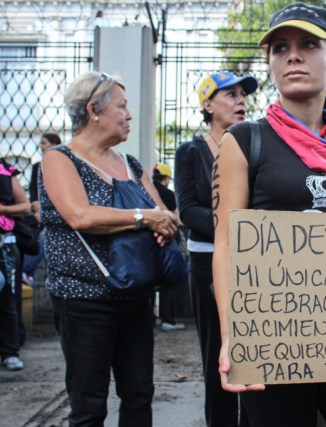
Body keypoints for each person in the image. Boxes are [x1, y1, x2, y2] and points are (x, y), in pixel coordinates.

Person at [211, 3, 326, 426]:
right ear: (271, 64)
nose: (292, 55)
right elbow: (226, 245)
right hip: (272, 338)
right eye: (280, 48)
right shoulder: (244, 141)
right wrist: (232, 335)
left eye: (308, 45)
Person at [40, 70, 178, 426]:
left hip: (134, 295)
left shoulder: (129, 164)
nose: (129, 115)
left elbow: (160, 212)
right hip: (84, 300)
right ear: (94, 110)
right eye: (122, 106)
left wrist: (161, 224)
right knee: (89, 404)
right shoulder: (59, 159)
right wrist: (145, 218)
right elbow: (79, 215)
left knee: (138, 394)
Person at [174, 70, 258, 426]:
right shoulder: (190, 152)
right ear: (207, 105)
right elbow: (188, 209)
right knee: (217, 357)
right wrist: (235, 229)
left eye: (242, 94)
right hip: (208, 260)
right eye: (230, 95)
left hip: (254, 262)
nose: (240, 100)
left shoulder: (254, 143)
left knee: (255, 354)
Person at [0, 157, 30, 371]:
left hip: (4, 245)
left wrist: (3, 210)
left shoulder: (4, 169)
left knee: (6, 299)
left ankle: (10, 351)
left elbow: (24, 206)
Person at [22, 133, 62, 286]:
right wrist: (38, 209)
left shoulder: (63, 165)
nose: (41, 146)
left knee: (46, 237)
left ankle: (26, 270)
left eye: (44, 143)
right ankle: (26, 272)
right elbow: (33, 193)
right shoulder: (37, 167)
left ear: (53, 144)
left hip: (58, 211)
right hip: (41, 212)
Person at [152, 163, 186, 332]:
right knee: (169, 280)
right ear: (165, 178)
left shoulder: (146, 190)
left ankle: (150, 318)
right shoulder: (169, 194)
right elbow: (178, 220)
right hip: (167, 241)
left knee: (149, 280)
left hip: (148, 242)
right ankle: (168, 319)